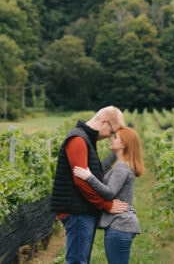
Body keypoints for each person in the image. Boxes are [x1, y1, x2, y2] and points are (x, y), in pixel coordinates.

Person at [51, 106, 129, 264]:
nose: (110, 137)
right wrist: (105, 204)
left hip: (82, 211)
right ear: (104, 123)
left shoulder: (86, 139)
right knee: (77, 261)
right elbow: (81, 182)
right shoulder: (78, 139)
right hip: (77, 212)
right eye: (112, 132)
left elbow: (92, 171)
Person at [73, 126, 145, 264]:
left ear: (123, 144)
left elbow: (110, 192)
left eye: (116, 137)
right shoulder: (123, 166)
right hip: (121, 225)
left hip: (119, 224)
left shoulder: (122, 167)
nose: (111, 138)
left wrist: (89, 177)